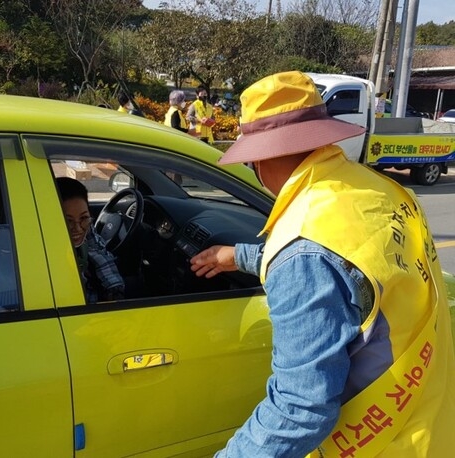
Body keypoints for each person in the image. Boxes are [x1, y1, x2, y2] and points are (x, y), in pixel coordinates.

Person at [190, 71, 455, 457]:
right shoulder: (376, 189)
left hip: (380, 446)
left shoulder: (304, 247)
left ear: (261, 158)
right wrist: (242, 256)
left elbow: (300, 409)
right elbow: (351, 267)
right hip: (431, 423)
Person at [56, 177, 124, 303]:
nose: (78, 228)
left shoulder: (87, 227)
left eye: (84, 217)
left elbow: (99, 251)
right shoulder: (49, 254)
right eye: (68, 221)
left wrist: (114, 291)